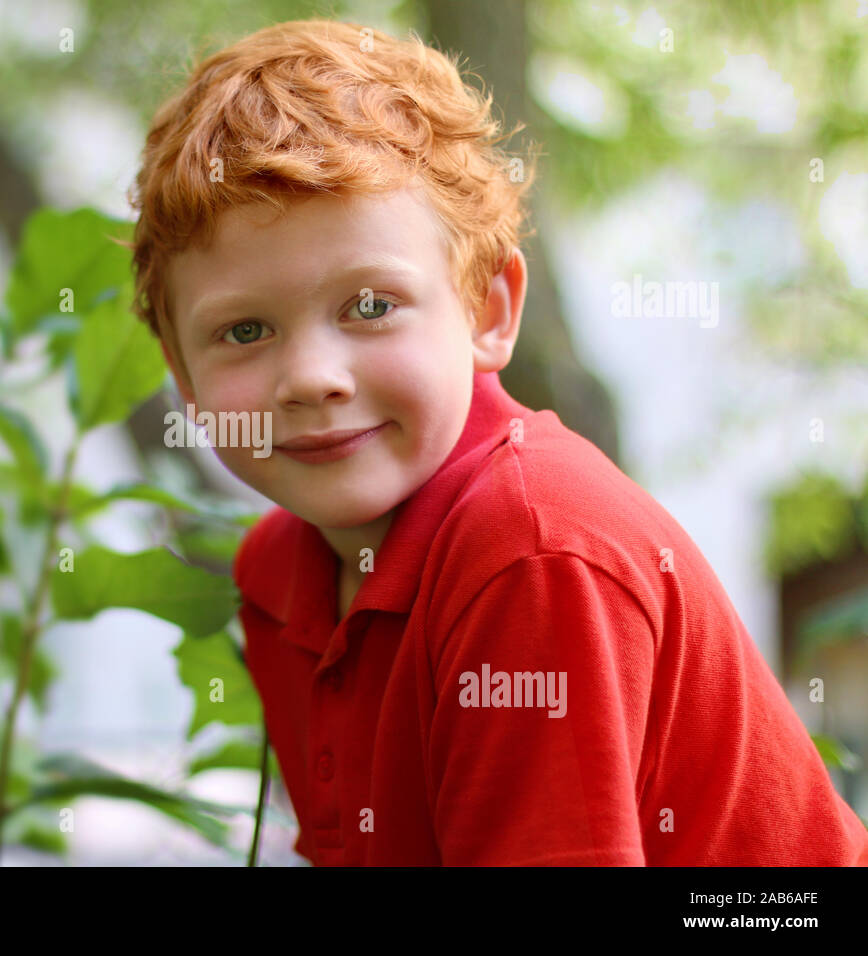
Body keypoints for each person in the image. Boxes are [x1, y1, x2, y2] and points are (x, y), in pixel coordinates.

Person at [124, 18, 868, 865]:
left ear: (489, 311)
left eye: (370, 306)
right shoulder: (277, 574)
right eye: (244, 329)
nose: (311, 377)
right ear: (182, 376)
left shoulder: (530, 549)